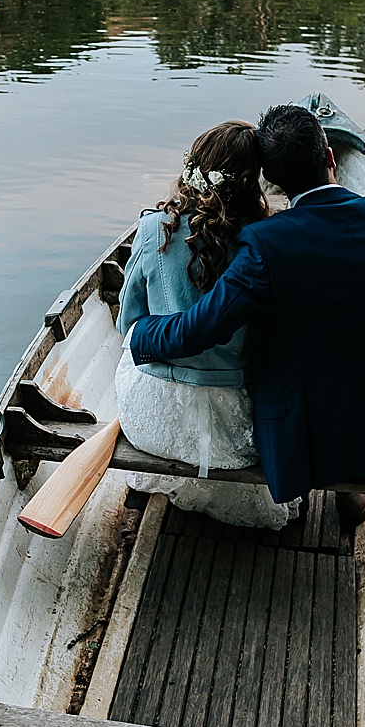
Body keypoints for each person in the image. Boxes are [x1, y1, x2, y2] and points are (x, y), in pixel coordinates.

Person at [126, 103, 365, 507]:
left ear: (272, 181)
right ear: (330, 157)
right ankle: (358, 494)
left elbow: (199, 330)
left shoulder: (264, 244)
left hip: (314, 442)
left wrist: (140, 335)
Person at [113, 122, 298, 530]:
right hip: (232, 436)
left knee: (132, 346)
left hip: (152, 424)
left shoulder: (151, 230)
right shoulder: (266, 240)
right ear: (254, 180)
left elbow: (127, 324)